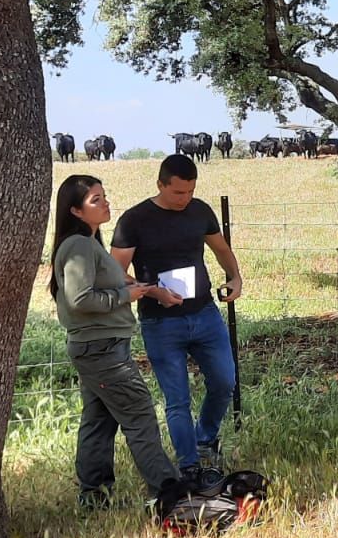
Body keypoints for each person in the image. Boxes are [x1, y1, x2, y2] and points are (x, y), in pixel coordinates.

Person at [50, 175, 185, 510]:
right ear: (75, 211)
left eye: (104, 196)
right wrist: (126, 296)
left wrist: (149, 290)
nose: (106, 203)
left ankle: (94, 496)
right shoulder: (79, 246)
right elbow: (80, 299)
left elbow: (115, 282)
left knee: (98, 420)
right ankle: (168, 492)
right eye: (96, 200)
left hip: (98, 346)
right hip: (102, 349)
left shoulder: (90, 244)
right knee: (139, 414)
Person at [110, 154, 243, 490]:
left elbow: (221, 249)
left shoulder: (200, 211)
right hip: (160, 322)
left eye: (190, 192)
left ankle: (205, 438)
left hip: (205, 314)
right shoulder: (134, 220)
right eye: (178, 193)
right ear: (161, 185)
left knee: (225, 382)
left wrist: (235, 277)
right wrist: (153, 292)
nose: (185, 199)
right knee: (178, 399)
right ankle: (189, 465)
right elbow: (113, 272)